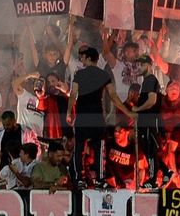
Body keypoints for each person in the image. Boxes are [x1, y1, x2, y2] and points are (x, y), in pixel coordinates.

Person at [68, 47, 132, 187]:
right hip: (97, 116)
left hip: (83, 116)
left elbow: (73, 95)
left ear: (89, 58)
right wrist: (128, 112)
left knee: (79, 148)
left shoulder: (79, 74)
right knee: (99, 148)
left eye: (83, 57)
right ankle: (100, 179)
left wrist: (69, 112)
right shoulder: (104, 75)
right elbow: (113, 96)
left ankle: (79, 178)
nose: (81, 60)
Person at [131, 55, 171, 189]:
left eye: (141, 65)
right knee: (148, 150)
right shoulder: (148, 81)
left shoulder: (150, 80)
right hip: (146, 122)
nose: (139, 68)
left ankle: (153, 178)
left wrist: (138, 108)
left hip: (149, 122)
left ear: (148, 65)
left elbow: (152, 100)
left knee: (150, 150)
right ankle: (166, 171)